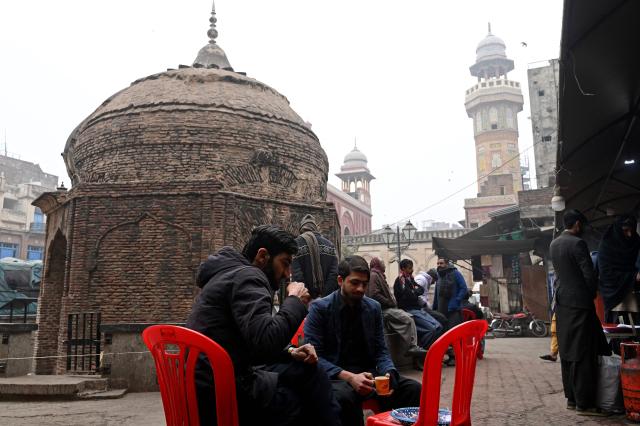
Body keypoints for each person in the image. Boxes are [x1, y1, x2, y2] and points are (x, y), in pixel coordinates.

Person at [186, 225, 341, 426]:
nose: (287, 274)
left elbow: (250, 339)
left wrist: (290, 352)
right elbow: (265, 342)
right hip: (222, 389)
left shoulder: (226, 275)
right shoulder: (249, 276)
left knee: (306, 371)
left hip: (201, 383)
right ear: (262, 256)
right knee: (305, 395)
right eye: (284, 264)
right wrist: (295, 301)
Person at [305, 256, 422, 426]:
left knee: (412, 389)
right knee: (344, 397)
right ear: (340, 280)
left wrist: (389, 373)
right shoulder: (320, 309)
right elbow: (315, 358)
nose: (360, 288)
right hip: (336, 377)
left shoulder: (373, 308)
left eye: (364, 284)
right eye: (354, 283)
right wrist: (350, 377)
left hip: (368, 376)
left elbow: (381, 349)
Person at [550, 209, 611, 416]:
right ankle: (585, 403)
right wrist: (592, 293)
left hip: (563, 303)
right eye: (581, 225)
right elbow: (588, 275)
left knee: (568, 350)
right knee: (583, 352)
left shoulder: (554, 243)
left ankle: (572, 399)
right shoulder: (578, 244)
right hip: (579, 304)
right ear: (577, 224)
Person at [366, 257, 426, 359]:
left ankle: (410, 347)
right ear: (378, 264)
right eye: (383, 263)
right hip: (384, 310)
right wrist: (388, 302)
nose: (385, 265)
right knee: (407, 319)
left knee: (408, 317)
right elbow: (374, 294)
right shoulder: (374, 276)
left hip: (389, 308)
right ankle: (411, 346)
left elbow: (419, 290)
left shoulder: (379, 275)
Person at [393, 259, 445, 350]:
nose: (412, 270)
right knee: (432, 329)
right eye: (409, 268)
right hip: (410, 310)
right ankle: (423, 351)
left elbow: (420, 289)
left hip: (417, 309)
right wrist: (414, 292)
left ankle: (428, 350)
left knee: (439, 327)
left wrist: (414, 292)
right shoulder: (400, 281)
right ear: (403, 268)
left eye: (412, 268)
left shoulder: (410, 279)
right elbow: (410, 296)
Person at [597, 215, 640, 324]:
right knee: (619, 330)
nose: (630, 234)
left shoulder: (635, 241)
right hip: (613, 295)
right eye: (626, 231)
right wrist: (633, 276)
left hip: (634, 294)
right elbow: (606, 273)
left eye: (632, 230)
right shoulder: (607, 245)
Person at [291, 214, 339, 299]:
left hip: (304, 301)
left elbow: (297, 275)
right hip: (328, 300)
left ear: (302, 228)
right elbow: (334, 274)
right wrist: (324, 296)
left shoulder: (296, 245)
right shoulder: (330, 245)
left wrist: (308, 297)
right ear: (315, 228)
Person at [433, 257, 468, 329]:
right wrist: (434, 307)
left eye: (441, 263)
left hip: (453, 308)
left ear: (447, 264)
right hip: (441, 308)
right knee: (443, 330)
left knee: (453, 329)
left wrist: (457, 300)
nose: (439, 265)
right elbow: (437, 292)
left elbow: (464, 288)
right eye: (438, 263)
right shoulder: (439, 275)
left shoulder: (455, 273)